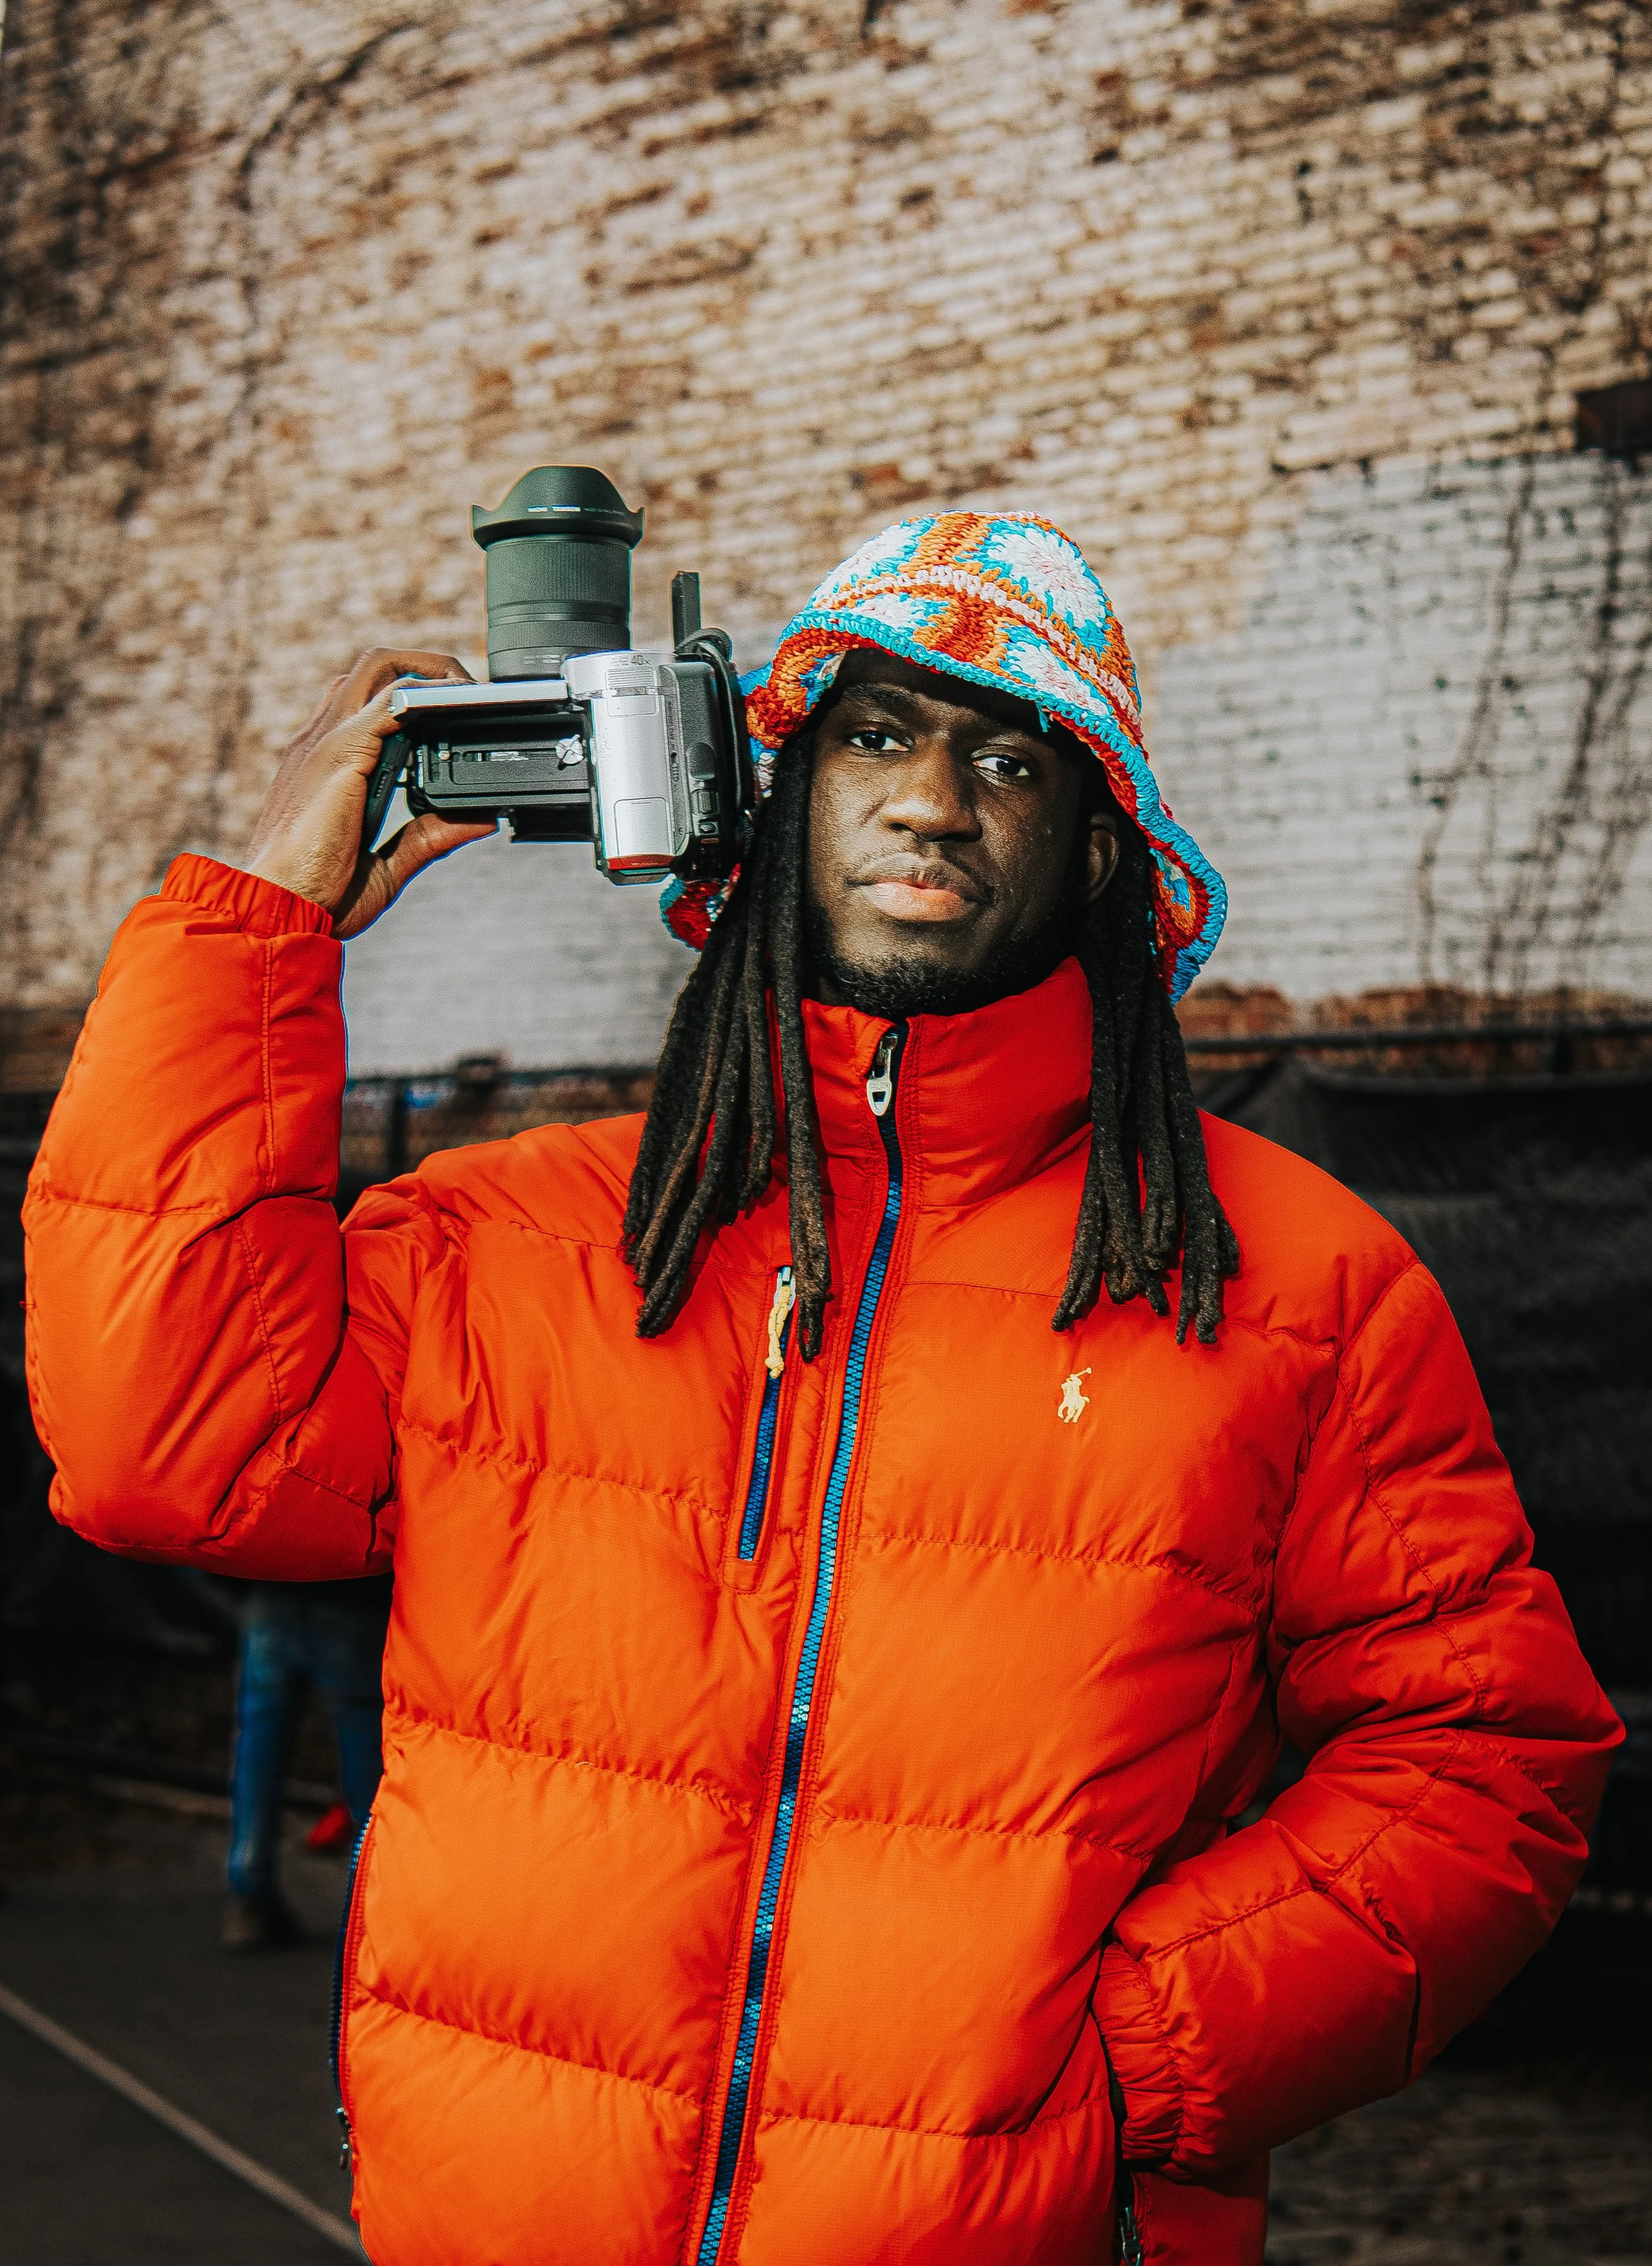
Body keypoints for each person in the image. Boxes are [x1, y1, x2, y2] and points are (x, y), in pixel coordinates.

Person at [24, 511, 1619, 2265]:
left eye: (1007, 758)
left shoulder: (1293, 1281)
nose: (931, 800)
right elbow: (163, 1445)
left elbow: (1485, 1754)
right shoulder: (513, 1238)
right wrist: (258, 921)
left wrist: (1136, 2053)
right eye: (872, 736)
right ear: (779, 806)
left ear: (1097, 849)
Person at [223, 1575, 391, 1950]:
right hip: (353, 1593)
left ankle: (248, 1896)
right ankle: (372, 1907)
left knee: (259, 1747)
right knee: (366, 1759)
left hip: (271, 1587)